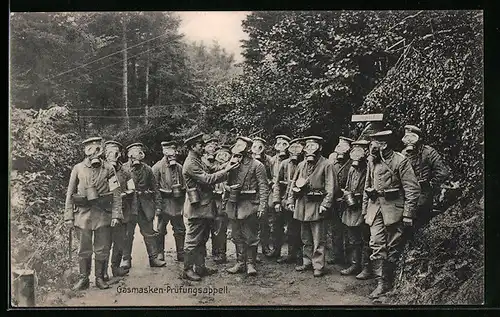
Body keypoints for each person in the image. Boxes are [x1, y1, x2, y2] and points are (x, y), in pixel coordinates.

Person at [362, 130, 421, 298]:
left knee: (393, 247)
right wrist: (365, 210)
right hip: (375, 208)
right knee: (376, 243)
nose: (371, 146)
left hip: (395, 209)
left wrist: (408, 213)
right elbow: (367, 186)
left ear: (384, 144)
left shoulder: (400, 161)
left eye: (374, 143)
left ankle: (392, 281)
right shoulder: (372, 161)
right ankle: (381, 283)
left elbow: (412, 189)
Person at [64, 137, 123, 290]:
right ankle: (83, 278)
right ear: (85, 151)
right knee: (84, 248)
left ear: (101, 149)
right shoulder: (78, 168)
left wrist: (116, 214)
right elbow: (70, 193)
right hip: (83, 215)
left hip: (103, 214)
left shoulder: (109, 169)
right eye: (90, 149)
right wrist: (69, 216)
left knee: (102, 248)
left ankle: (99, 278)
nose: (94, 152)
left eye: (97, 148)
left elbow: (116, 193)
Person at [182, 133, 238, 281]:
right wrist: (226, 172)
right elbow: (207, 179)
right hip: (197, 207)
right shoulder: (191, 163)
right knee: (193, 240)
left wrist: (228, 165)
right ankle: (187, 270)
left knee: (202, 239)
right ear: (193, 147)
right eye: (200, 145)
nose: (203, 147)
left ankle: (200, 268)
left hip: (204, 206)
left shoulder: (197, 160)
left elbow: (212, 169)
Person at [287, 136, 338, 277]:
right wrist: (290, 200)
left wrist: (325, 204)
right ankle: (307, 261)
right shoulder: (302, 165)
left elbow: (331, 187)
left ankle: (318, 265)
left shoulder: (327, 165)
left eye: (313, 146)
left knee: (318, 238)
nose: (310, 149)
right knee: (305, 237)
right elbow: (294, 183)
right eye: (307, 146)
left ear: (320, 148)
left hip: (317, 205)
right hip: (302, 204)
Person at [225, 136, 269, 276]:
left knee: (250, 236)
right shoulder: (232, 163)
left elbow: (263, 186)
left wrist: (262, 206)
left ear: (248, 149)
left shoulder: (257, 165)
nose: (238, 148)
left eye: (242, 146)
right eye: (237, 145)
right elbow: (223, 180)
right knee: (236, 235)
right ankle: (240, 262)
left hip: (250, 204)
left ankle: (251, 263)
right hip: (234, 204)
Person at [122, 143, 166, 269]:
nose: (137, 156)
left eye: (139, 153)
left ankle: (153, 258)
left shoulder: (147, 169)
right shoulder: (123, 169)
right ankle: (126, 259)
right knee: (127, 234)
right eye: (134, 153)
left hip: (145, 206)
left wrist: (158, 207)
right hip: (130, 206)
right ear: (129, 155)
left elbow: (155, 188)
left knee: (149, 233)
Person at [401, 125, 450, 229]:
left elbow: (443, 172)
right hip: (407, 193)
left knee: (419, 221)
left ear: (419, 139)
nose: (409, 141)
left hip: (423, 193)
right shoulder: (404, 154)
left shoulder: (428, 152)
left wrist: (431, 184)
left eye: (412, 137)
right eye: (407, 138)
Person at [338, 140, 373, 279]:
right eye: (355, 150)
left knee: (366, 238)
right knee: (353, 238)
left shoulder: (370, 167)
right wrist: (347, 195)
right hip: (352, 206)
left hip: (365, 206)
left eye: (361, 150)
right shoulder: (352, 169)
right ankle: (354, 264)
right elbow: (348, 186)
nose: (357, 153)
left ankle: (366, 267)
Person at [102, 140, 134, 281]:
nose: (112, 155)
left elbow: (132, 189)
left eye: (115, 152)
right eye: (109, 152)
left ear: (120, 154)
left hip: (122, 211)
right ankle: (102, 271)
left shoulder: (126, 172)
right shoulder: (100, 169)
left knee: (120, 241)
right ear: (104, 153)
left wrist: (124, 194)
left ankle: (115, 268)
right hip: (105, 212)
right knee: (105, 243)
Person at [152, 140, 186, 262]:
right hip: (164, 203)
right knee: (160, 229)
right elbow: (154, 188)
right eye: (169, 152)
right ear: (164, 152)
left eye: (174, 151)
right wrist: (158, 205)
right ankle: (160, 253)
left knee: (180, 228)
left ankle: (181, 252)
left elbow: (184, 185)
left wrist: (181, 191)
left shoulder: (180, 167)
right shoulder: (157, 168)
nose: (173, 155)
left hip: (176, 203)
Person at [272, 137, 304, 265]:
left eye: (298, 148)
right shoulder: (284, 164)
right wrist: (277, 201)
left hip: (301, 201)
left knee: (299, 229)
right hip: (285, 201)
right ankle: (285, 253)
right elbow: (277, 184)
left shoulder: (305, 164)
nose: (295, 152)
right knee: (285, 228)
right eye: (293, 148)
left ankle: (299, 255)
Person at [327, 136, 354, 265]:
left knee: (348, 229)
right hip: (334, 200)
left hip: (348, 200)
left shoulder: (353, 163)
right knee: (335, 229)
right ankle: (337, 255)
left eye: (345, 146)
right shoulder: (332, 163)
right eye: (340, 146)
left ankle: (349, 258)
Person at [267, 135, 291, 259]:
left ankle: (293, 253)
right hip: (276, 194)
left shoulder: (292, 160)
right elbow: (268, 175)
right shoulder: (272, 161)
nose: (281, 146)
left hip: (290, 195)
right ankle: (276, 250)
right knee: (276, 224)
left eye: (284, 144)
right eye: (279, 143)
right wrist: (271, 182)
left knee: (292, 223)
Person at [251, 136, 274, 259]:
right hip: (251, 193)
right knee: (252, 222)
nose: (257, 149)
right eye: (254, 146)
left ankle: (265, 246)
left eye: (260, 147)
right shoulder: (248, 160)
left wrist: (268, 182)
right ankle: (253, 252)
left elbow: (273, 176)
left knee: (264, 221)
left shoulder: (269, 161)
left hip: (264, 192)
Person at [210, 144, 232, 264]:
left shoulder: (232, 168)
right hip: (213, 199)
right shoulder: (212, 168)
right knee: (214, 226)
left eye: (225, 155)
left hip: (226, 200)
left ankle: (221, 253)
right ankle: (215, 251)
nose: (223, 157)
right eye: (220, 155)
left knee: (220, 226)